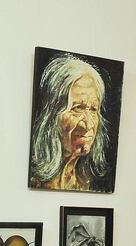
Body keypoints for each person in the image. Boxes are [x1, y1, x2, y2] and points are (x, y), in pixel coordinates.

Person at [30, 53, 110, 192]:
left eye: (93, 110)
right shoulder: (35, 179)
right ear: (52, 116)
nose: (89, 125)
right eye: (77, 108)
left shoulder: (91, 180)